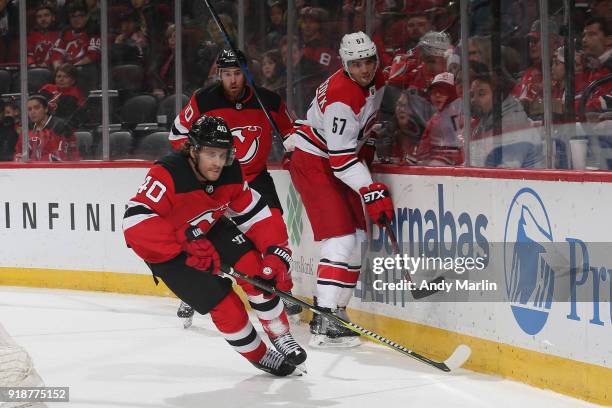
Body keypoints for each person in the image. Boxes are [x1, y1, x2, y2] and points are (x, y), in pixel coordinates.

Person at [123, 116, 306, 376]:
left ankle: (280, 333)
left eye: (223, 154)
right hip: (169, 251)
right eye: (211, 154)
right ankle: (260, 354)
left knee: (257, 273)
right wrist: (182, 245)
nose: (218, 162)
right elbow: (134, 224)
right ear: (192, 149)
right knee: (226, 306)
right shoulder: (167, 174)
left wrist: (276, 249)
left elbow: (257, 215)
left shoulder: (231, 172)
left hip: (209, 227)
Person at [168, 49, 301, 320]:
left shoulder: (269, 101)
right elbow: (177, 134)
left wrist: (295, 153)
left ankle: (284, 291)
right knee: (203, 235)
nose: (232, 80)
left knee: (274, 230)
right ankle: (197, 292)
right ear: (219, 74)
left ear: (247, 73)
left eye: (237, 73)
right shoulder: (203, 99)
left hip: (255, 177)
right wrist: (197, 165)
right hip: (218, 181)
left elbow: (293, 134)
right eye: (227, 74)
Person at [286, 32, 394, 347]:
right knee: (341, 238)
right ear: (346, 64)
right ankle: (323, 317)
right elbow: (340, 159)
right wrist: (370, 189)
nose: (364, 69)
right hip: (315, 161)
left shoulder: (378, 78)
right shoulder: (341, 98)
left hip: (336, 156)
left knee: (358, 239)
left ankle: (338, 312)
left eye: (369, 61)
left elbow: (361, 128)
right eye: (356, 64)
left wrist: (369, 139)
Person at [415, 72, 464, 165]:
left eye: (443, 91)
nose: (437, 95)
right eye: (434, 91)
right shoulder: (434, 120)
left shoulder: (460, 118)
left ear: (453, 93)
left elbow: (461, 153)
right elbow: (421, 154)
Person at [14, 94, 80, 162]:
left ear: (46, 109)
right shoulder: (27, 128)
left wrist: (32, 162)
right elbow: (18, 153)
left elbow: (59, 156)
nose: (32, 112)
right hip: (34, 169)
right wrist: (19, 159)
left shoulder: (60, 126)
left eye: (36, 108)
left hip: (62, 170)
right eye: (29, 109)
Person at [27, 3, 60, 67]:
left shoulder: (60, 35)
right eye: (39, 17)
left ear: (53, 17)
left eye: (46, 15)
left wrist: (47, 63)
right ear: (36, 20)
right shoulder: (31, 37)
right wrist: (33, 67)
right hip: (36, 70)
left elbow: (60, 56)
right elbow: (28, 56)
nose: (43, 19)